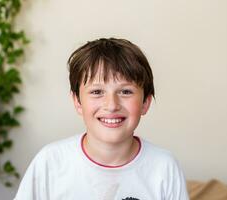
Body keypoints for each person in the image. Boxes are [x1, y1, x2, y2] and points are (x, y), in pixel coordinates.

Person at [14, 38, 189, 200]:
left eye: (126, 92)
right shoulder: (50, 162)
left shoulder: (164, 167)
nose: (112, 105)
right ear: (77, 101)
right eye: (97, 92)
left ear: (145, 103)